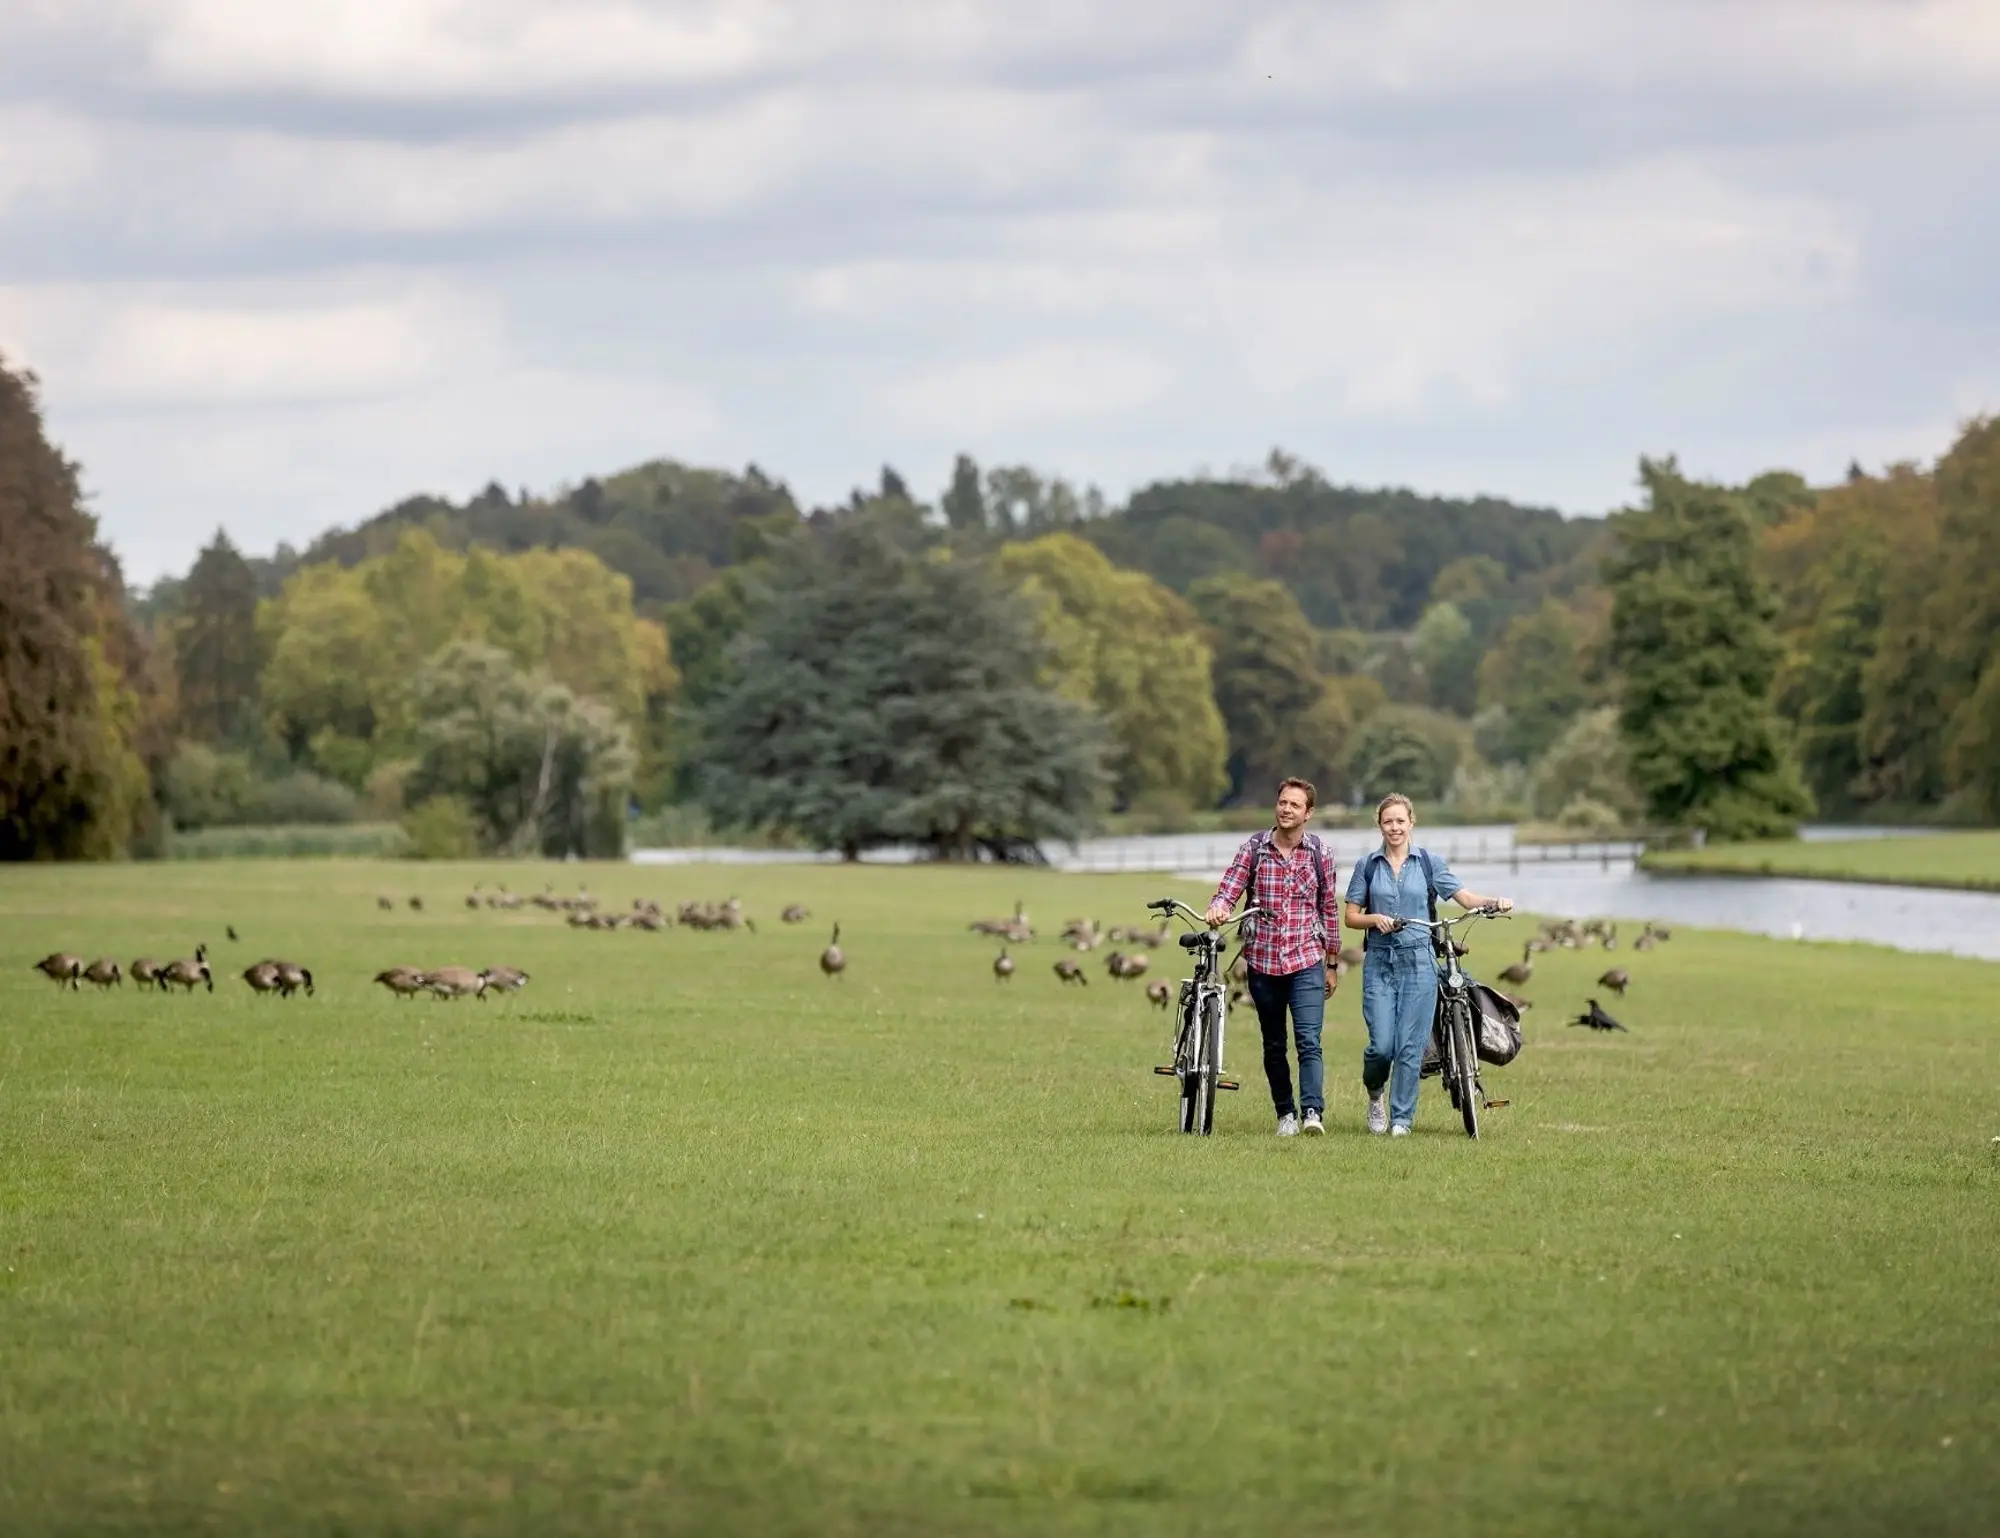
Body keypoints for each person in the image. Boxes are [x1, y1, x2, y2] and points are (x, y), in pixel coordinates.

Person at [1342, 793, 1512, 1137]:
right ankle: (1376, 1094)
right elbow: (1350, 917)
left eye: (1400, 821)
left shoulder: (1429, 863)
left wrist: (1494, 901)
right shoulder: (1368, 866)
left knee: (1409, 1046)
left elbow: (1463, 897)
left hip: (1419, 962)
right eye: (1388, 821)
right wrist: (1375, 919)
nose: (1394, 827)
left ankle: (1401, 1120)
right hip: (1379, 962)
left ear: (1411, 823)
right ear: (1379, 825)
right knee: (1381, 1047)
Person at [1205, 778, 1342, 1137]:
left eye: (1295, 805)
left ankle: (1313, 1111)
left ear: (1308, 814)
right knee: (1274, 1043)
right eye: (1283, 802)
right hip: (1263, 962)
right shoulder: (1253, 849)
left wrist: (1332, 963)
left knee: (1309, 1040)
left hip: (1307, 959)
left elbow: (1329, 910)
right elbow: (1229, 889)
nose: (1286, 809)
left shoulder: (1320, 854)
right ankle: (1286, 1114)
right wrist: (1218, 908)